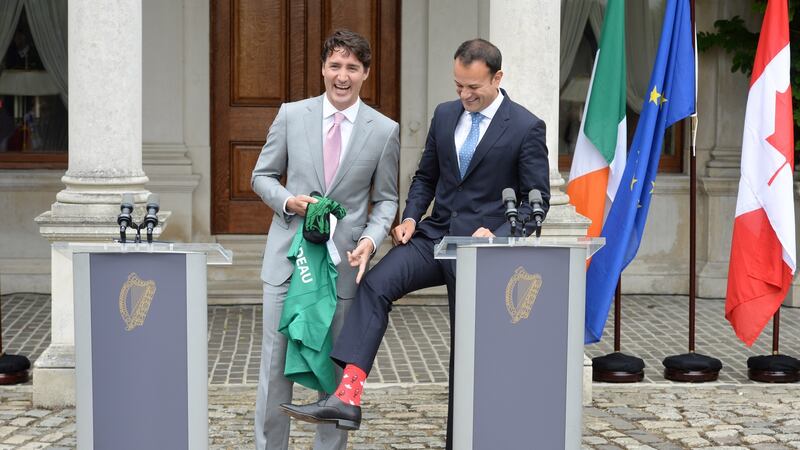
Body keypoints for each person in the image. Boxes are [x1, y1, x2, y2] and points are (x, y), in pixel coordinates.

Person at [281, 38, 551, 448]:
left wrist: (498, 234)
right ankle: (348, 396)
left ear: (497, 78)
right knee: (375, 283)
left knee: (468, 346)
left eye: (473, 87)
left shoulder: (526, 127)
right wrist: (409, 217)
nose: (464, 95)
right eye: (458, 86)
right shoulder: (445, 115)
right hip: (433, 238)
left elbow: (537, 201)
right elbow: (426, 177)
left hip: (481, 254)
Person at [250, 29, 400, 450]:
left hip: (342, 268)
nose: (342, 76)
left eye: (352, 67)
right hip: (288, 263)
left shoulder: (384, 130)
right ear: (322, 69)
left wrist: (371, 240)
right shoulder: (291, 115)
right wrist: (288, 202)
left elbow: (387, 200)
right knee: (274, 370)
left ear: (365, 73)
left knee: (333, 376)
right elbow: (261, 176)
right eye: (335, 65)